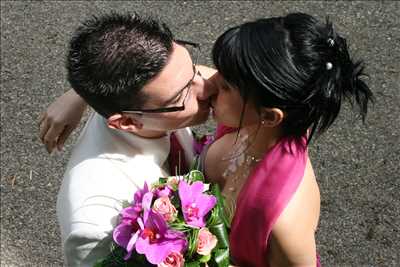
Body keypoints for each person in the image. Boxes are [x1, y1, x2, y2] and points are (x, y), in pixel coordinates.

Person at [40, 12, 217, 266]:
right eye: (182, 95)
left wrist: (78, 94)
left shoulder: (156, 96)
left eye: (193, 69)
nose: (208, 86)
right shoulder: (95, 223)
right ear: (126, 122)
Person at [202, 13, 373, 267]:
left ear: (270, 116)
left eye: (225, 85)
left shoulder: (284, 224)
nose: (209, 83)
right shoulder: (256, 110)